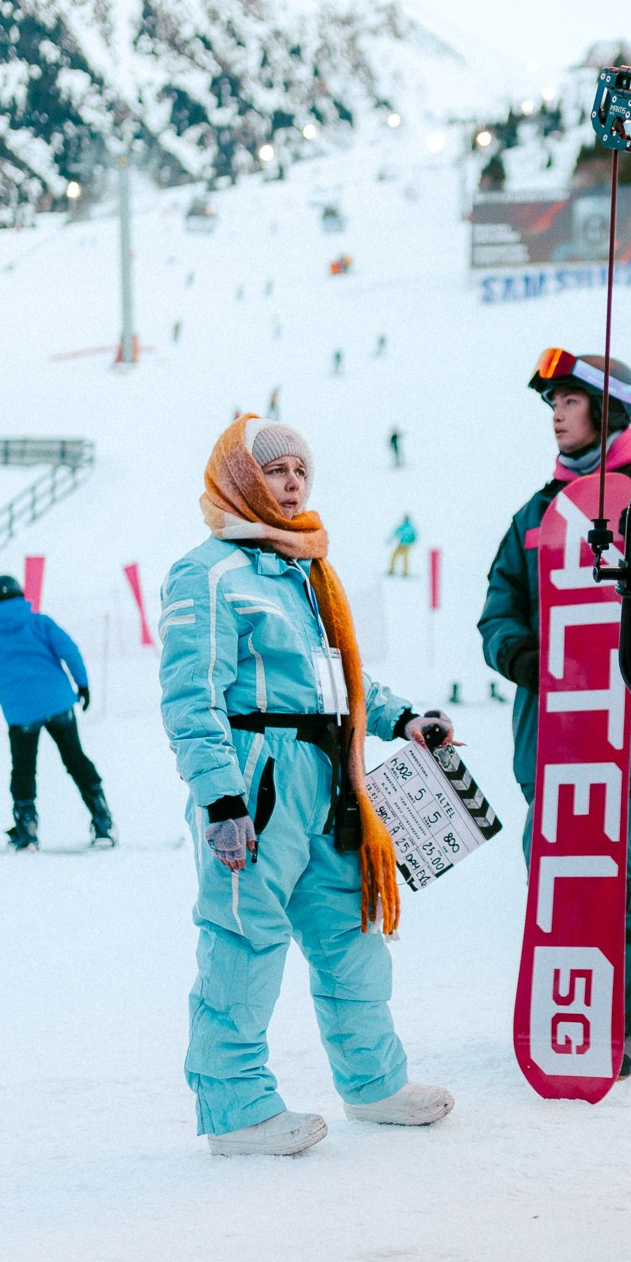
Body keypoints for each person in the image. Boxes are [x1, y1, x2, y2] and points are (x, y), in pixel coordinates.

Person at [159, 417, 457, 1156]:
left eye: (300, 470)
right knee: (243, 939)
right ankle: (235, 1110)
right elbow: (190, 695)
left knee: (352, 934)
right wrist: (222, 799)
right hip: (259, 782)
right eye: (275, 469)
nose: (292, 482)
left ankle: (373, 1082)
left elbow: (337, 679)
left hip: (332, 781)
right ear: (239, 478)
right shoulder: (207, 572)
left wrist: (399, 717)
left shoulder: (304, 569)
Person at [478, 350, 631, 1078]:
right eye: (553, 403)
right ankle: (559, 998)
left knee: (606, 864)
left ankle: (619, 1014)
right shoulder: (537, 510)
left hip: (624, 721)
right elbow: (498, 612)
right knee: (553, 868)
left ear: (610, 408)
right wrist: (525, 658)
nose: (557, 414)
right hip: (548, 731)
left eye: (570, 399)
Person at [0, 575, 113, 850]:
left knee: (23, 771)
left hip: (21, 714)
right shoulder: (40, 623)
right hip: (58, 704)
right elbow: (70, 651)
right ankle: (102, 821)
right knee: (75, 759)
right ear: (20, 595)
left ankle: (27, 830)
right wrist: (83, 684)